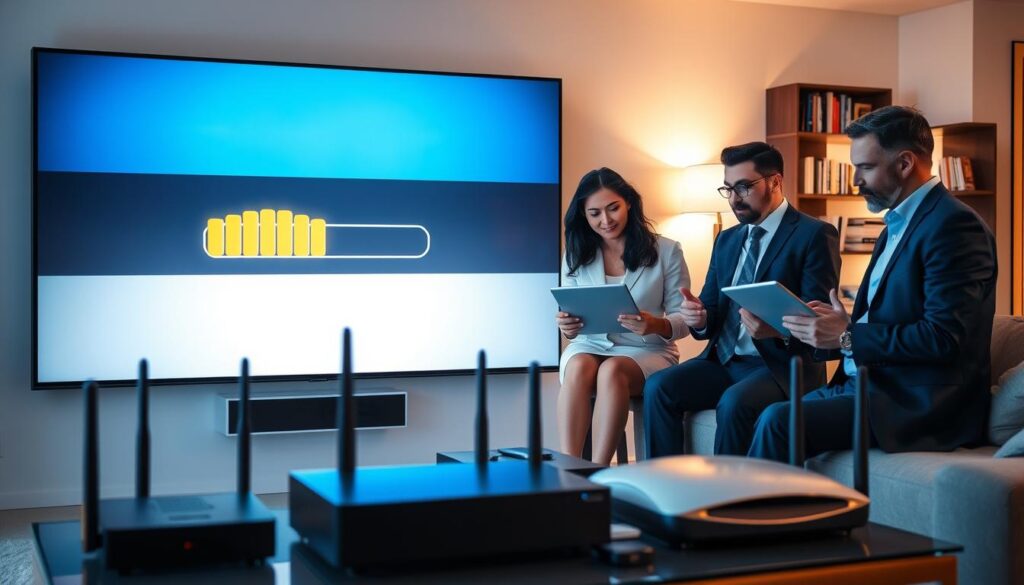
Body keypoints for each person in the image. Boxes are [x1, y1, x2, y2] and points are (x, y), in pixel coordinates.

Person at [749, 106, 998, 462]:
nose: (856, 179)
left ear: (905, 163)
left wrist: (848, 336)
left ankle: (762, 518)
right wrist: (813, 328)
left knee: (778, 421)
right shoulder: (897, 225)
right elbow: (883, 323)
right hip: (869, 385)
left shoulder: (955, 227)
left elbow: (944, 338)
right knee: (765, 416)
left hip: (919, 403)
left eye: (865, 167)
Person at [644, 142, 840, 457]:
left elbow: (819, 320)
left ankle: (729, 500)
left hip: (780, 365)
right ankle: (664, 488)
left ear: (775, 182)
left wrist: (777, 331)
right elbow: (710, 307)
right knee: (658, 387)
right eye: (728, 189)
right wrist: (700, 317)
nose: (734, 198)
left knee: (734, 403)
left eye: (744, 187)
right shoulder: (727, 239)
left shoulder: (814, 234)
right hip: (723, 360)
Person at [556, 167, 690, 464]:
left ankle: (599, 473)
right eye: (594, 213)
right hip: (590, 345)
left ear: (629, 202)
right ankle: (568, 469)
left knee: (612, 370)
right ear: (584, 215)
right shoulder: (576, 252)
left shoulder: (666, 251)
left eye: (613, 208)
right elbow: (572, 324)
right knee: (578, 366)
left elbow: (685, 321)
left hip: (648, 350)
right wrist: (568, 327)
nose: (606, 221)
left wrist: (655, 323)